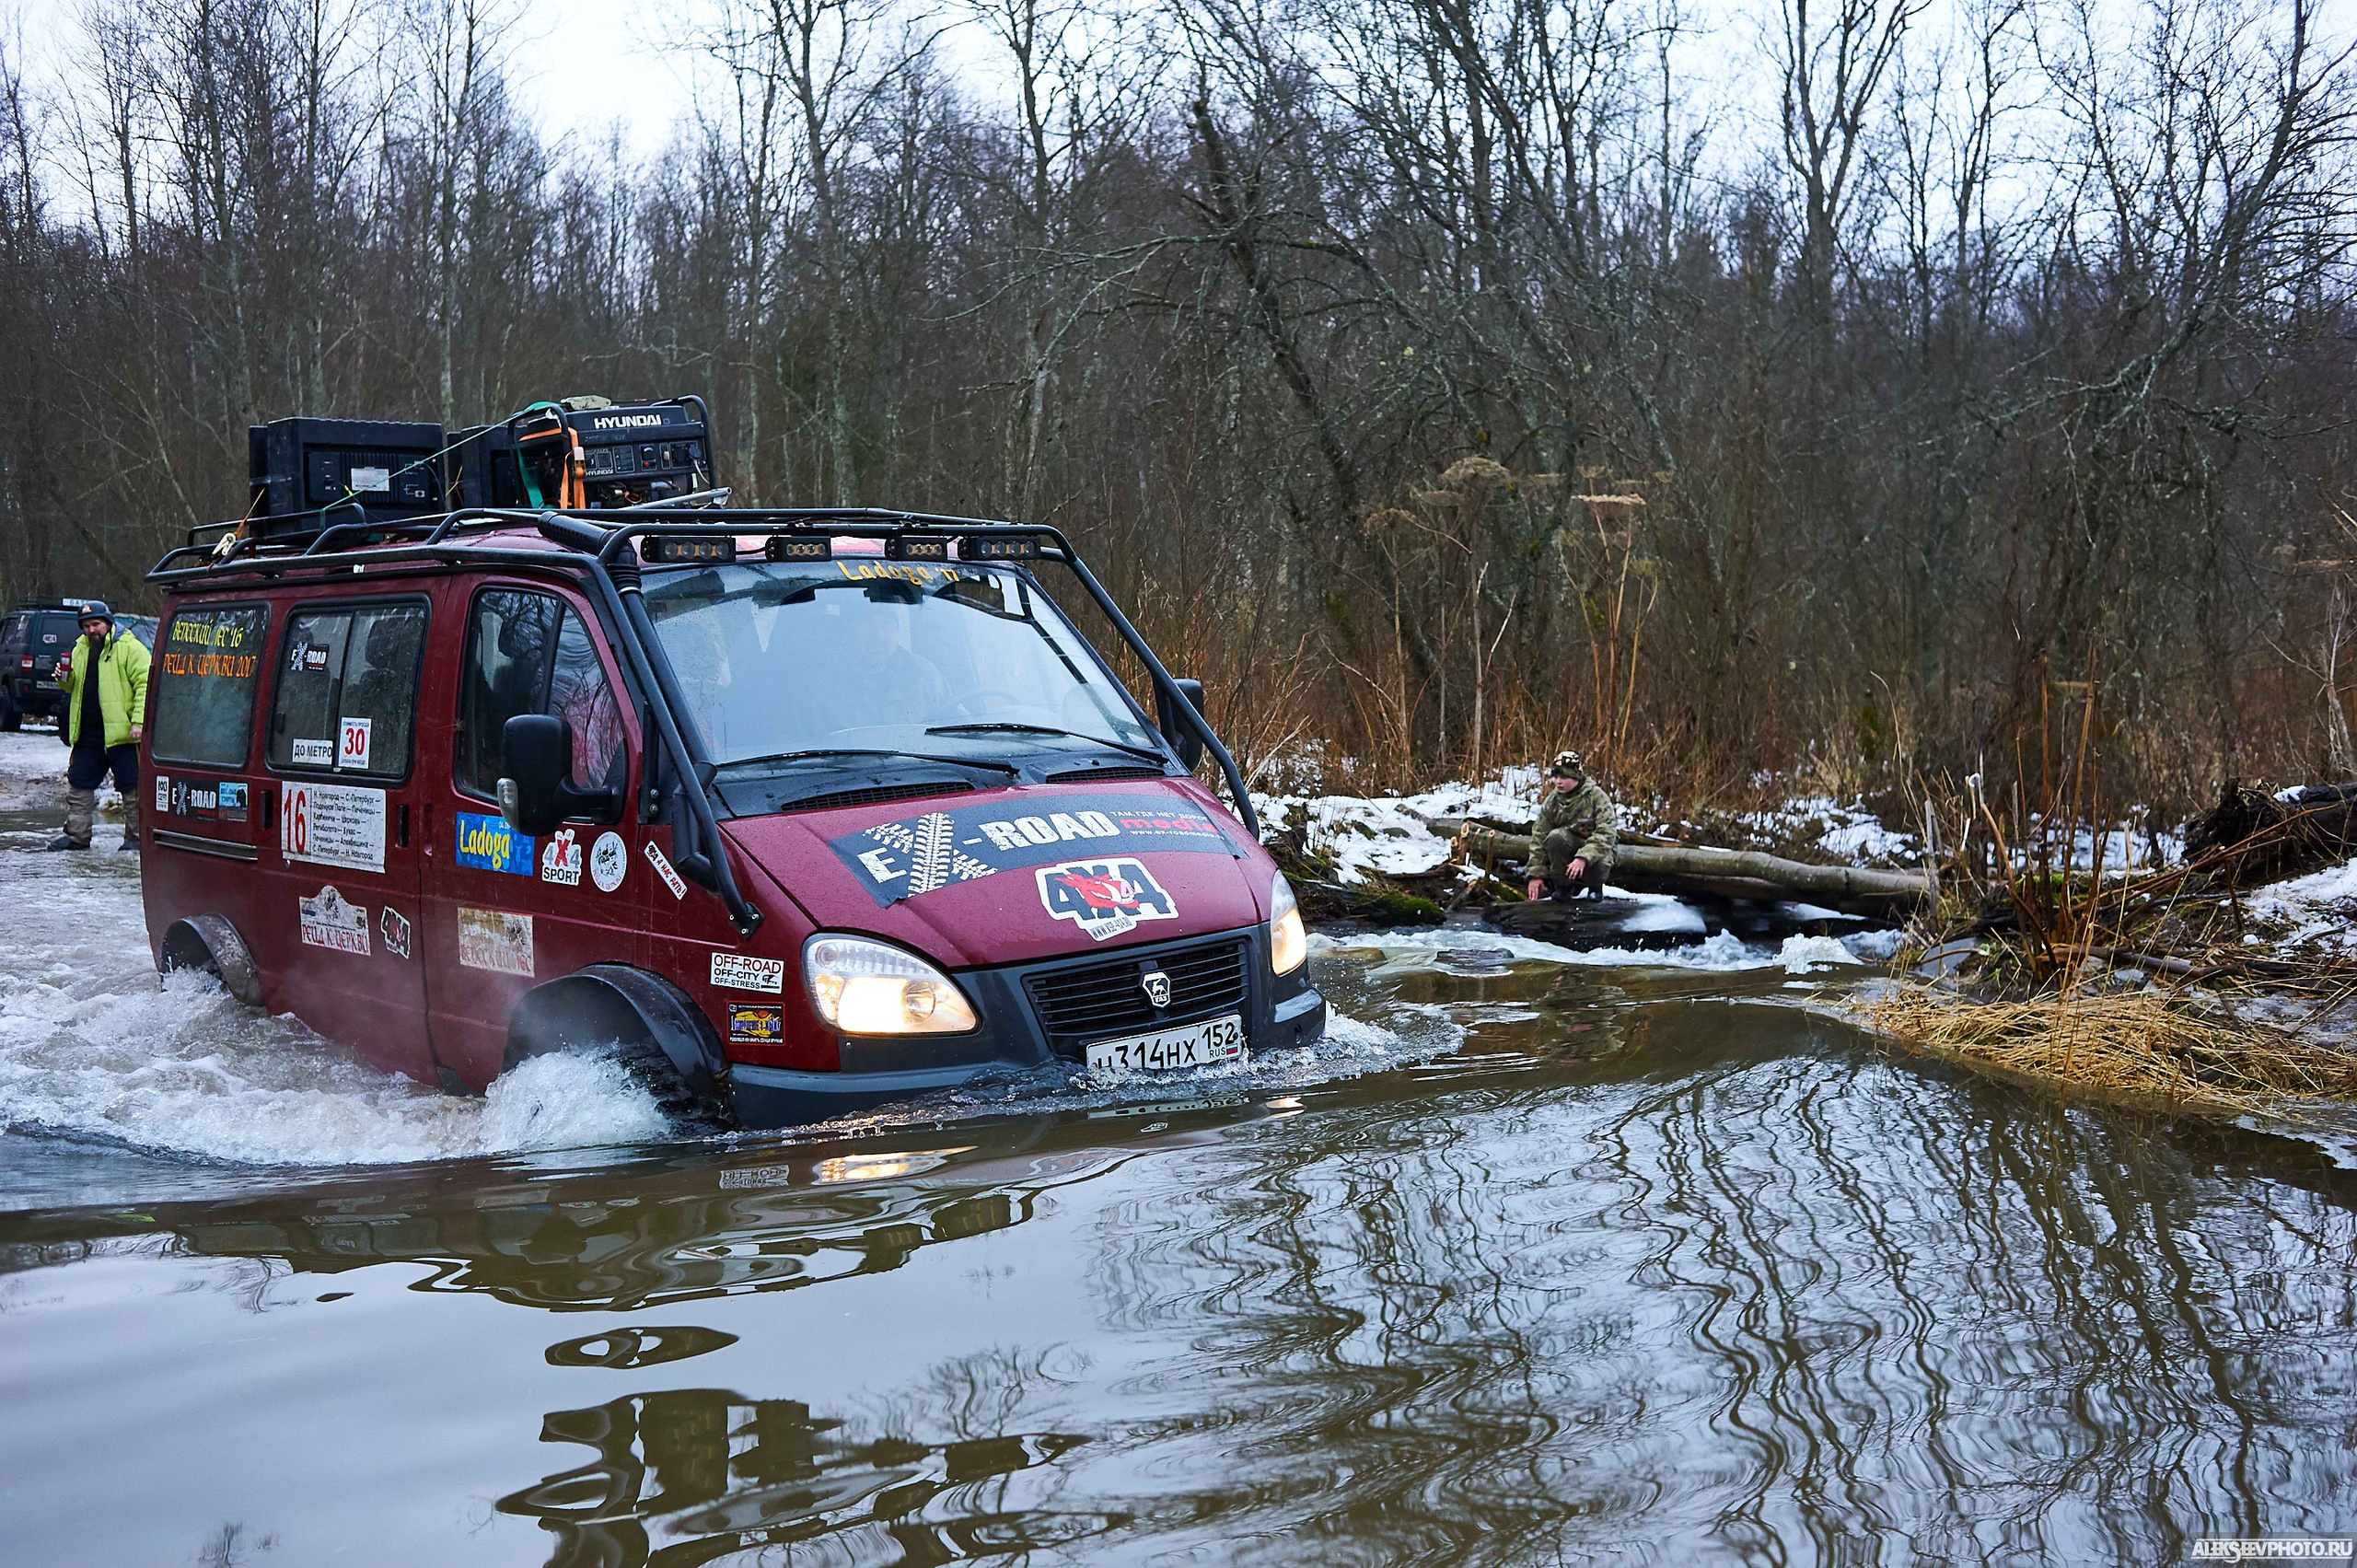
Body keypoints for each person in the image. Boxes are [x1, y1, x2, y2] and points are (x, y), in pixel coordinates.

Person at [48, 603, 151, 853]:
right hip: (89, 733)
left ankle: (136, 840)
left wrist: (139, 721)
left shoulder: (130, 647)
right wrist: (64, 678)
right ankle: (77, 836)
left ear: (108, 623)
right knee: (79, 784)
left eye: (96, 624)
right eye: (86, 626)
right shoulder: (80, 649)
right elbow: (73, 687)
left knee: (132, 788)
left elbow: (146, 684)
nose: (91, 630)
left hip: (123, 734)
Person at [1525, 749, 1617, 900]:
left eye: (1564, 777)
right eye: (1556, 777)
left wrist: (1584, 857)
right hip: (1568, 847)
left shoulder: (1596, 796)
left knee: (1602, 860)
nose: (1558, 781)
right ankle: (1563, 887)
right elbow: (1539, 836)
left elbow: (1606, 833)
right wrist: (1536, 874)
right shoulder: (1553, 801)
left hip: (1595, 850)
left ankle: (1595, 887)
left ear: (1576, 777)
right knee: (1555, 838)